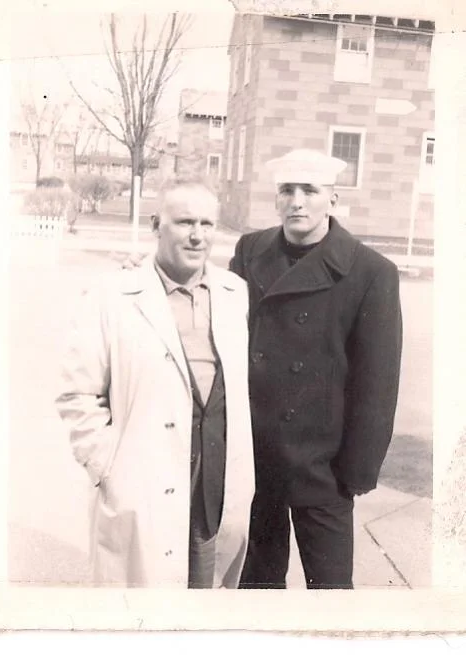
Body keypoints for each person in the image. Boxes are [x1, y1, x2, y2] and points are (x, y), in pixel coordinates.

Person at [55, 177, 255, 588]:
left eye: (207, 223)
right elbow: (78, 392)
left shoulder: (236, 294)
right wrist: (106, 466)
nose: (197, 236)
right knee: (142, 614)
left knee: (203, 606)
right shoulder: (112, 295)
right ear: (154, 224)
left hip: (213, 486)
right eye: (184, 222)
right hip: (141, 482)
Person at [230, 149, 403, 590]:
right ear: (276, 198)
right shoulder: (251, 251)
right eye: (287, 190)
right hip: (258, 458)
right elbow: (221, 320)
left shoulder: (370, 272)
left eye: (310, 190)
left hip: (322, 467)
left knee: (330, 593)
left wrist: (356, 473)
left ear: (334, 199)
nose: (297, 201)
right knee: (254, 588)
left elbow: (377, 385)